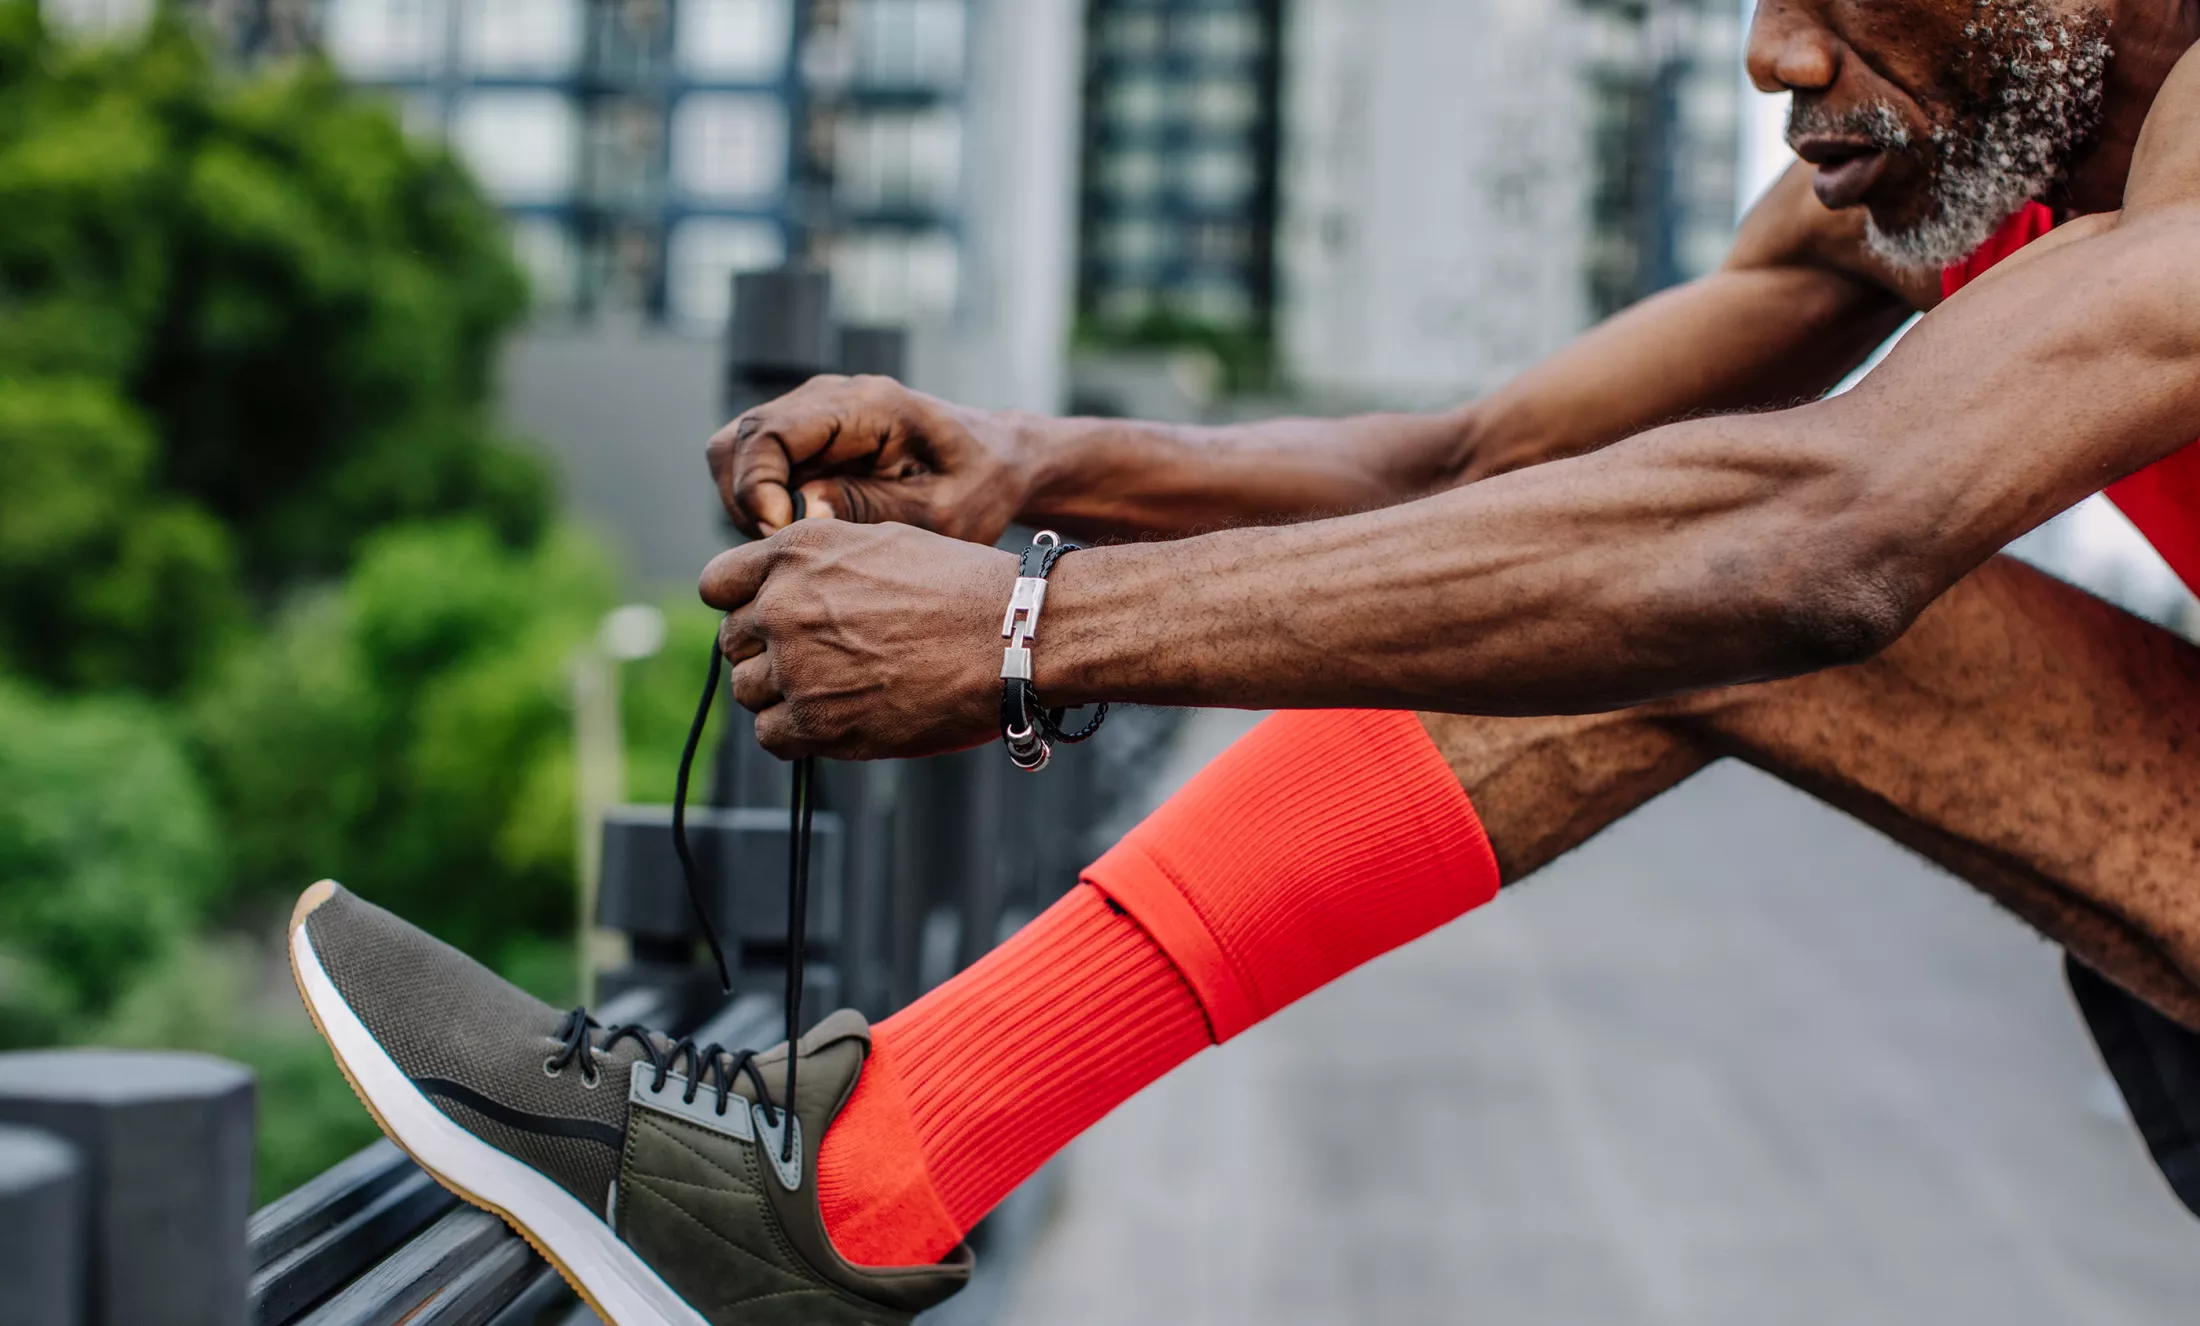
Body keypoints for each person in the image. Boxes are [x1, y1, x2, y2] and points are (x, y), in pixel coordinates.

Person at [292, 1, 2200, 1322]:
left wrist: (1030, 632)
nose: (1777, 54)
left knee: (1720, 564)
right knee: (1635, 535)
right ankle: (840, 1175)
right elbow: (1491, 464)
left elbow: (1821, 533)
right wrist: (1039, 477)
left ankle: (851, 1172)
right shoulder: (1945, 140)